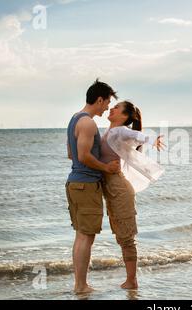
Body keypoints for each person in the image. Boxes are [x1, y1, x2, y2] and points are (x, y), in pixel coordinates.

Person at [100, 101, 165, 289]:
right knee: (120, 235)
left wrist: (152, 140)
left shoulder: (120, 131)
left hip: (119, 189)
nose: (112, 108)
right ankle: (130, 279)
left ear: (125, 116)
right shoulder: (109, 131)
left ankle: (132, 281)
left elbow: (136, 134)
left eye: (117, 107)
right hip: (112, 188)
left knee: (126, 235)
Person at [65, 79, 120, 294]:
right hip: (86, 185)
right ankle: (81, 286)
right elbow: (83, 155)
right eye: (107, 102)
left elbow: (71, 154)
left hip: (76, 183)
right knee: (86, 236)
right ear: (99, 99)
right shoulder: (88, 123)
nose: (107, 107)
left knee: (82, 235)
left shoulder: (74, 119)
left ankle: (80, 284)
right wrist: (106, 167)